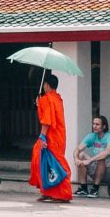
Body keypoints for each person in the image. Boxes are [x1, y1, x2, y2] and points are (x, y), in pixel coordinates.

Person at [29, 71, 72, 202]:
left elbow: (47, 120)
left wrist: (42, 137)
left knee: (55, 163)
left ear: (46, 85)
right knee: (43, 159)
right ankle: (47, 190)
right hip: (59, 135)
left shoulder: (47, 99)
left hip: (50, 136)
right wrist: (39, 105)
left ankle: (63, 194)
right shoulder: (57, 98)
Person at [74, 114, 110, 195]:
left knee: (102, 157)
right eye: (93, 124)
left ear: (104, 126)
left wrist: (90, 160)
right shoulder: (92, 136)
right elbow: (77, 149)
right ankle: (84, 189)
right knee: (81, 154)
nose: (94, 126)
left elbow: (107, 152)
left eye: (97, 124)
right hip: (97, 168)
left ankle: (95, 189)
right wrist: (76, 159)